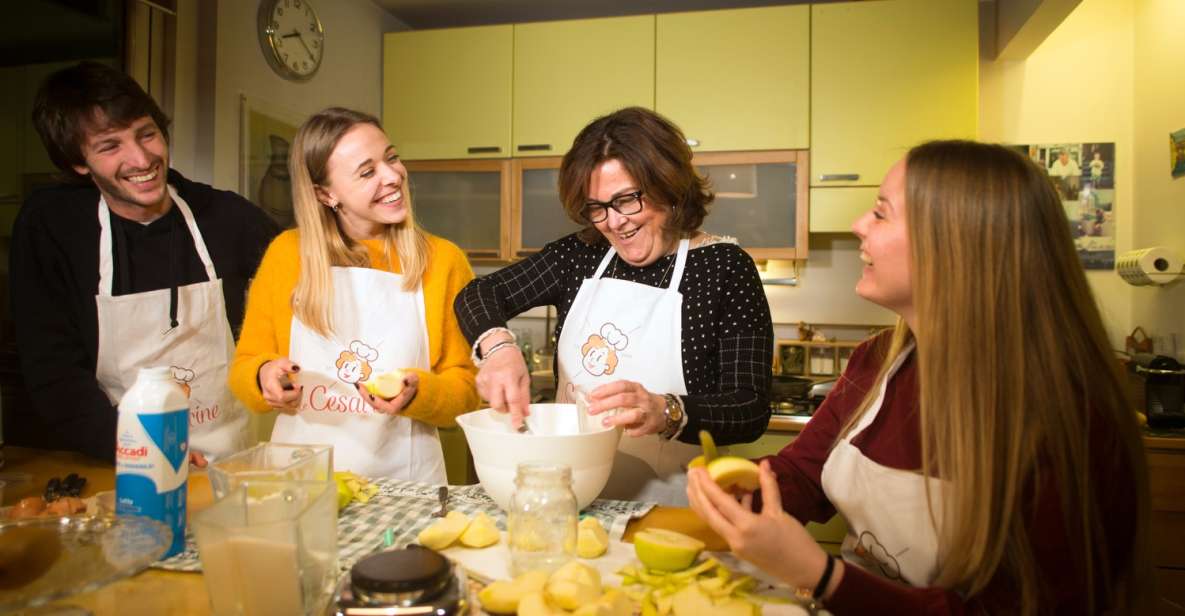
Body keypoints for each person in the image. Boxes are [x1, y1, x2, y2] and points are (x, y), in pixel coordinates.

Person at [686, 140, 1151, 614]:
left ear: (955, 243)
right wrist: (746, 491)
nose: (858, 225)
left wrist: (821, 575)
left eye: (881, 214)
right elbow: (804, 474)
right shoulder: (877, 361)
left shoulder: (1069, 417)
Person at [454, 107, 773, 505]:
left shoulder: (724, 269)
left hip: (671, 508)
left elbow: (750, 407)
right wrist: (498, 349)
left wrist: (666, 411)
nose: (614, 222)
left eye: (627, 200)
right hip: (569, 500)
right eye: (597, 207)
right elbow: (478, 294)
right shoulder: (581, 255)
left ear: (669, 187)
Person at [8, 61, 280, 462]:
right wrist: (142, 450)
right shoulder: (54, 228)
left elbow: (302, 294)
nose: (141, 159)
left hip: (230, 461)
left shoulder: (227, 216)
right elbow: (54, 374)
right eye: (109, 146)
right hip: (123, 461)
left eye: (146, 134)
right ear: (78, 163)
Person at [229, 107, 480, 481]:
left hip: (407, 486)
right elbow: (245, 364)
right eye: (367, 172)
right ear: (325, 193)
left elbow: (467, 389)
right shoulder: (287, 255)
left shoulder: (443, 261)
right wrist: (263, 375)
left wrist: (420, 394)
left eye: (391, 158)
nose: (394, 176)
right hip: (303, 484)